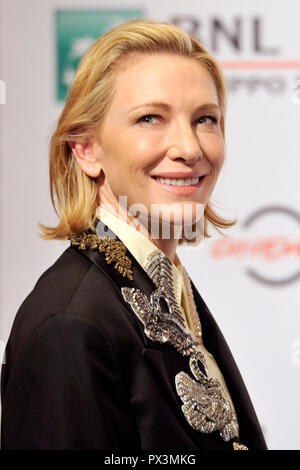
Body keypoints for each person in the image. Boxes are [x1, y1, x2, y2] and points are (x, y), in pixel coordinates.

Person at [1, 19, 267, 450]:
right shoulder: (70, 324)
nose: (189, 147)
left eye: (205, 119)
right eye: (150, 118)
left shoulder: (168, 290)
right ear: (87, 148)